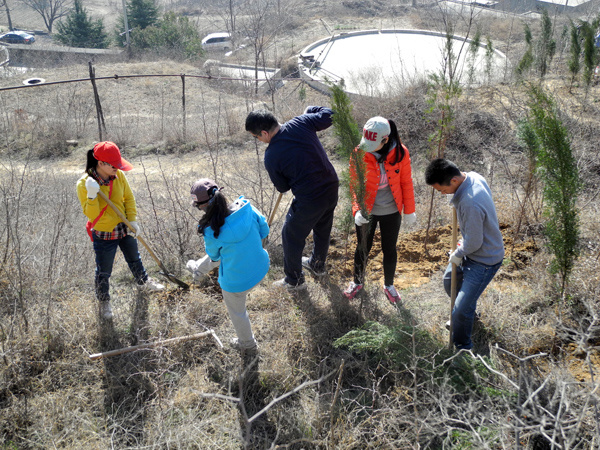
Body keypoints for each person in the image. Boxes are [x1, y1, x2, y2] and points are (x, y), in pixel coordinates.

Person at [245, 107, 339, 290]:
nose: (258, 140)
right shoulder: (301, 122)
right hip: (331, 187)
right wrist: (311, 110)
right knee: (322, 227)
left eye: (256, 137)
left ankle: (294, 281)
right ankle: (317, 265)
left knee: (290, 235)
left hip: (310, 197)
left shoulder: (271, 155)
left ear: (264, 133)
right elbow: (330, 115)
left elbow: (283, 187)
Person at [76, 141, 164, 321]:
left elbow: (128, 198)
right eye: (113, 164)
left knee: (134, 257)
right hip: (104, 232)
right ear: (101, 163)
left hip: (125, 227)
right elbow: (91, 215)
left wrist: (132, 220)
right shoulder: (85, 184)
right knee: (104, 270)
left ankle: (143, 282)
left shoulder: (119, 176)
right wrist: (92, 195)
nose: (118, 167)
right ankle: (104, 301)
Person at [424, 158, 504, 350]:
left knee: (459, 311)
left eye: (442, 190)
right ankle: (468, 314)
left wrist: (459, 252)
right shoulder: (472, 177)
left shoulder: (469, 202)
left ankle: (463, 347)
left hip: (485, 260)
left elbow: (474, 243)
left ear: (453, 180)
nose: (443, 194)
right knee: (449, 281)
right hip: (472, 249)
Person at [186, 179, 269, 354]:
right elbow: (264, 231)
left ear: (201, 206)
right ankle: (198, 269)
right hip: (261, 267)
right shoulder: (247, 207)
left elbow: (215, 257)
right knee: (228, 254)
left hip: (237, 283)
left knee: (238, 312)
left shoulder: (211, 231)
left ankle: (248, 345)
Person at [343, 116, 416, 305]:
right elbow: (354, 185)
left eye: (373, 143)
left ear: (385, 140)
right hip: (367, 211)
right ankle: (357, 282)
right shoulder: (359, 153)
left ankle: (389, 285)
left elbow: (406, 182)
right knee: (362, 247)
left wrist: (409, 210)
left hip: (392, 210)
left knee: (389, 249)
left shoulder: (401, 153)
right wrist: (357, 210)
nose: (367, 146)